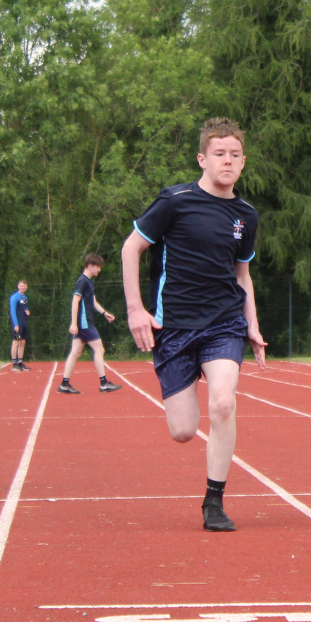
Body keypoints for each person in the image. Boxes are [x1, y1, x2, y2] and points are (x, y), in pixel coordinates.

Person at [122, 116, 267, 532]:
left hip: (224, 323)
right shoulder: (175, 201)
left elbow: (242, 274)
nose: (228, 161)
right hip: (174, 326)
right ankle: (187, 384)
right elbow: (131, 249)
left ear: (243, 162)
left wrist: (252, 324)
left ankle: (214, 502)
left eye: (235, 155)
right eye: (219, 154)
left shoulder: (246, 215)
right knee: (183, 430)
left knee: (223, 403)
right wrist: (135, 309)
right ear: (202, 159)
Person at [58, 254, 122, 394]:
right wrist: (74, 323)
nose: (99, 270)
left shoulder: (89, 282)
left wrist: (104, 313)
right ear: (90, 266)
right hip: (84, 323)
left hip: (85, 322)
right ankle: (104, 383)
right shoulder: (82, 281)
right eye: (98, 267)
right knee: (99, 349)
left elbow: (93, 302)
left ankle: (64, 384)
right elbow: (75, 301)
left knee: (76, 352)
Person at [9, 280, 31, 371]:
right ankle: (14, 364)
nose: (23, 287)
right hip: (17, 324)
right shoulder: (14, 297)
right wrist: (16, 325)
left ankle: (20, 362)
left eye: (24, 286)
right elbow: (13, 312)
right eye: (22, 286)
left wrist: (27, 312)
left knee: (22, 343)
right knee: (16, 342)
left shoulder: (25, 298)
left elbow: (25, 308)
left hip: (24, 323)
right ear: (18, 286)